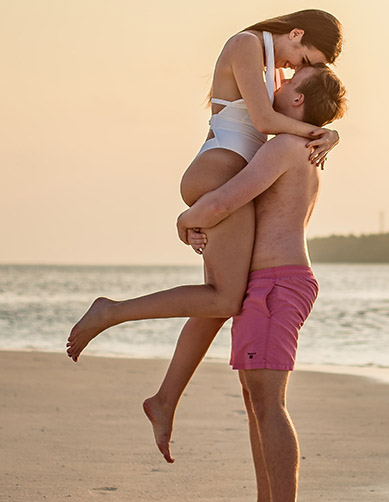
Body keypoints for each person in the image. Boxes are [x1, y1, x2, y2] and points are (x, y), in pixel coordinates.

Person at [66, 10, 343, 460]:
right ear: (296, 33)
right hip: (216, 174)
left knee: (220, 300)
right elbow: (269, 123)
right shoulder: (247, 45)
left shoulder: (272, 62)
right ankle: (110, 312)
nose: (293, 70)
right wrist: (322, 133)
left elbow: (288, 116)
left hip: (227, 181)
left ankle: (165, 400)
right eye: (301, 56)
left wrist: (325, 131)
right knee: (223, 297)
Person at [176, 63, 346, 502]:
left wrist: (186, 220)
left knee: (268, 406)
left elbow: (230, 198)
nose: (280, 82)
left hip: (275, 284)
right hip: (274, 284)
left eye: (290, 82)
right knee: (257, 404)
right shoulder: (297, 146)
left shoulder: (287, 147)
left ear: (297, 102)